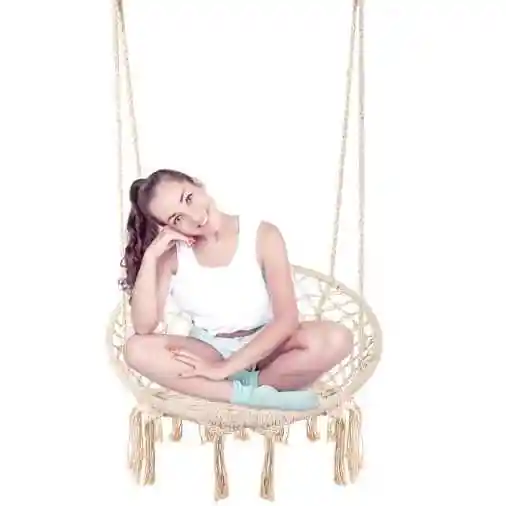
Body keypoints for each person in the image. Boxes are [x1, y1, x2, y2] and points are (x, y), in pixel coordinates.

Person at [120, 169, 353, 411]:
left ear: (198, 184)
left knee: (337, 339)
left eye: (188, 198)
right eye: (177, 218)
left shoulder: (263, 235)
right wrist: (151, 256)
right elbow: (144, 327)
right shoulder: (172, 256)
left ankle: (245, 385)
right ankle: (251, 396)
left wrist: (223, 369)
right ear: (169, 227)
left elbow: (287, 319)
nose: (195, 217)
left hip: (266, 347)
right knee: (136, 350)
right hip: (210, 350)